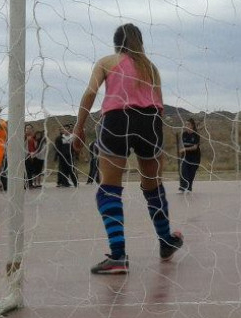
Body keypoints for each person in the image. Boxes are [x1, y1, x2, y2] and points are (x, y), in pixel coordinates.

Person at [73, 23, 183, 274]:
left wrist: (79, 128)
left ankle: (118, 255)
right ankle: (166, 241)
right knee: (152, 186)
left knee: (109, 189)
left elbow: (90, 93)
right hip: (151, 121)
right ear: (140, 42)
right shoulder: (151, 68)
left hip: (117, 119)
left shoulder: (107, 61)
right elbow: (160, 104)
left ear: (116, 43)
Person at [178, 118, 201, 192]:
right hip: (185, 156)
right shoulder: (184, 134)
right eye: (185, 124)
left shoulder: (196, 135)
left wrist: (185, 149)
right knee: (184, 170)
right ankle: (183, 186)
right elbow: (182, 145)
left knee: (191, 173)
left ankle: (189, 187)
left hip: (195, 157)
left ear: (192, 126)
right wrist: (181, 149)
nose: (186, 126)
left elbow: (195, 147)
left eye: (188, 124)